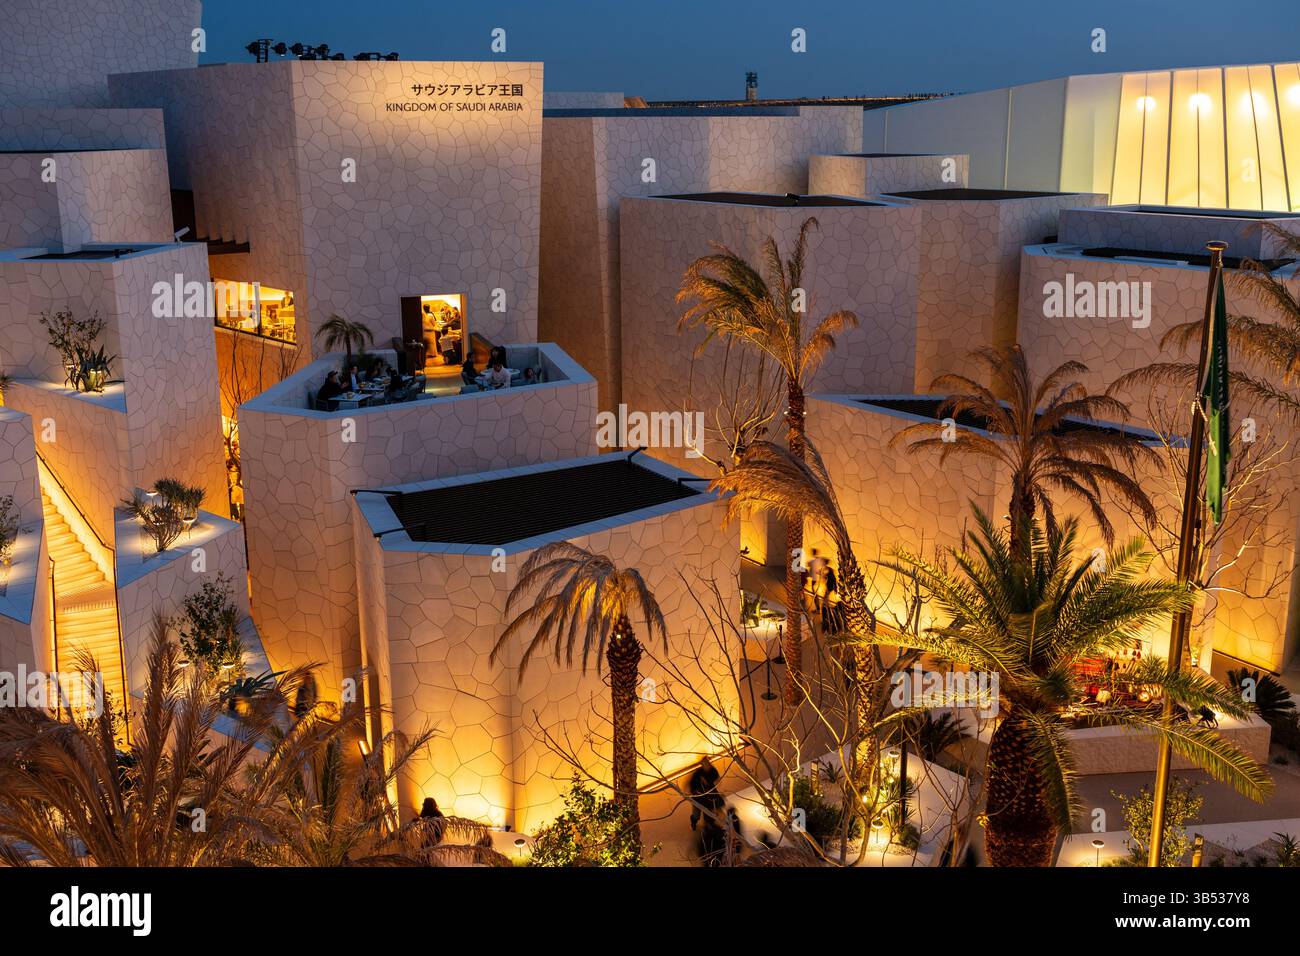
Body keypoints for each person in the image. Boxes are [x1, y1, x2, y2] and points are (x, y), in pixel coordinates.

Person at [688, 755, 722, 831]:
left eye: (707, 762)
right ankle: (694, 822)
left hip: (709, 796)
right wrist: (695, 791)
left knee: (709, 811)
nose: (706, 764)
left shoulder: (712, 771)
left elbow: (715, 778)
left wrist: (707, 782)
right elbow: (692, 784)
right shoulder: (698, 773)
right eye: (704, 763)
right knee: (696, 813)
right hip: (698, 796)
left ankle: (709, 825)